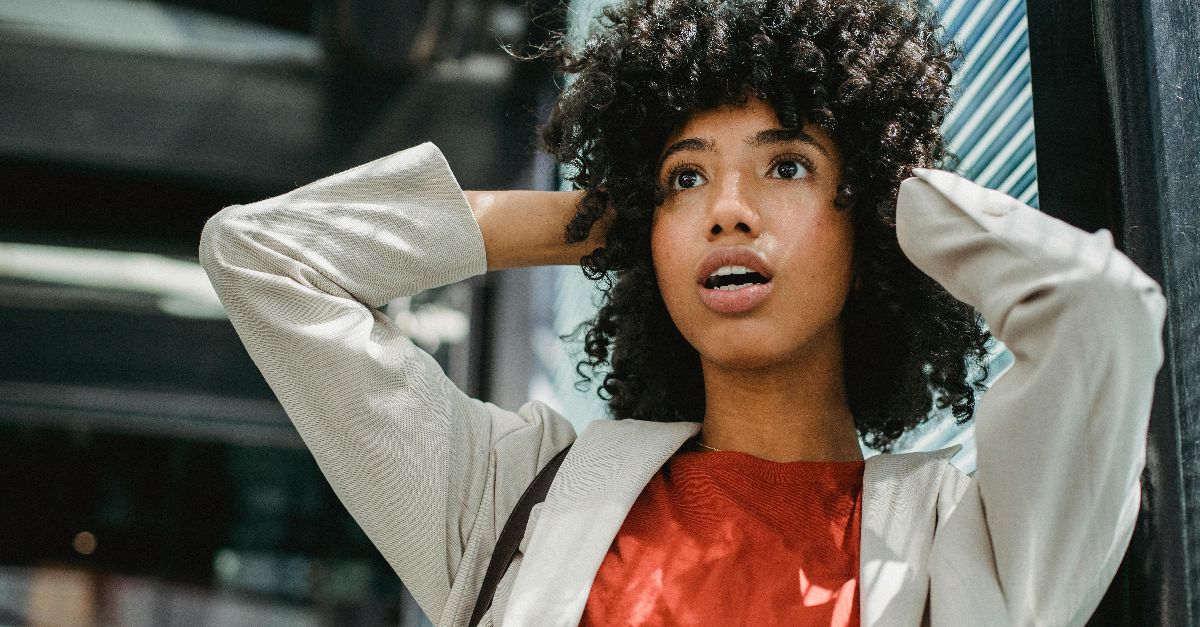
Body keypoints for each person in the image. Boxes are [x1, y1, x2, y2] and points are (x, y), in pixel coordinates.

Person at [199, 0, 1166, 625]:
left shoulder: (978, 546)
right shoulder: (511, 504)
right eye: (683, 177)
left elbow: (1099, 312)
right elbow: (266, 259)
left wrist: (890, 202)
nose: (727, 208)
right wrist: (594, 217)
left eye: (786, 165)